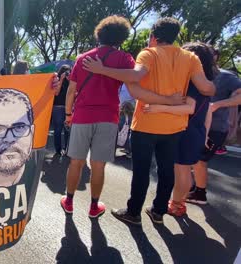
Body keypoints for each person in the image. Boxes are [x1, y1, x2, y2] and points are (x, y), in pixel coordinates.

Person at [83, 17, 215, 225]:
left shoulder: (148, 54)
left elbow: (135, 76)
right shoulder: (190, 58)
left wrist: (102, 70)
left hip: (146, 123)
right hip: (174, 126)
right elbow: (207, 88)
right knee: (166, 170)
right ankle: (158, 211)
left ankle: (133, 212)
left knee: (142, 171)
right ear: (175, 36)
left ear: (153, 36)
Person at [60, 15, 185, 219]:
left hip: (82, 115)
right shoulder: (125, 59)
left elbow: (71, 90)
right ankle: (93, 207)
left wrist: (68, 114)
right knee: (99, 165)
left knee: (76, 162)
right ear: (122, 36)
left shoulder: (83, 58)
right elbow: (134, 83)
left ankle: (69, 201)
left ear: (99, 33)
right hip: (108, 117)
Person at [142, 42, 217, 216]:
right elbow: (208, 112)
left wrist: (160, 108)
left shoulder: (193, 81)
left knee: (181, 170)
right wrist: (204, 135)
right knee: (185, 169)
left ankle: (175, 205)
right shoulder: (206, 82)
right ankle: (179, 203)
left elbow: (189, 109)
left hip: (186, 129)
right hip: (197, 131)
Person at [186, 57, 241, 205]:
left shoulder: (227, 76)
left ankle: (199, 193)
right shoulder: (192, 73)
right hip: (192, 123)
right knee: (188, 160)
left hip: (215, 128)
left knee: (199, 161)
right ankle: (190, 188)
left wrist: (217, 105)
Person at [52, 65, 70, 155]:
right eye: (65, 71)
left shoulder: (71, 81)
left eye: (69, 71)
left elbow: (74, 93)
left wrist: (70, 80)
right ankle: (58, 150)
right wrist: (61, 79)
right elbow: (56, 93)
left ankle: (67, 149)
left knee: (67, 129)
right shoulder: (57, 80)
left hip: (68, 107)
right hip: (58, 108)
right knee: (58, 130)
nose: (67, 73)